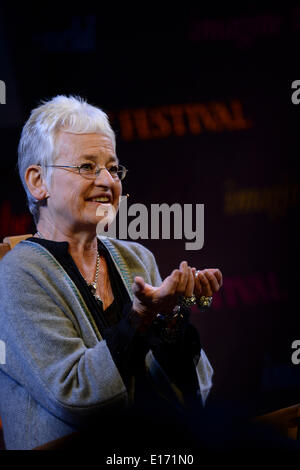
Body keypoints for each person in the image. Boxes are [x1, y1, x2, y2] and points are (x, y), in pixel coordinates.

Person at [0, 95, 223, 451]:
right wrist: (139, 319)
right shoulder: (16, 276)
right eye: (87, 167)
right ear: (37, 181)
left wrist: (169, 321)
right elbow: (76, 398)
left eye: (113, 168)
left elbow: (197, 391)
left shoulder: (135, 258)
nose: (107, 180)